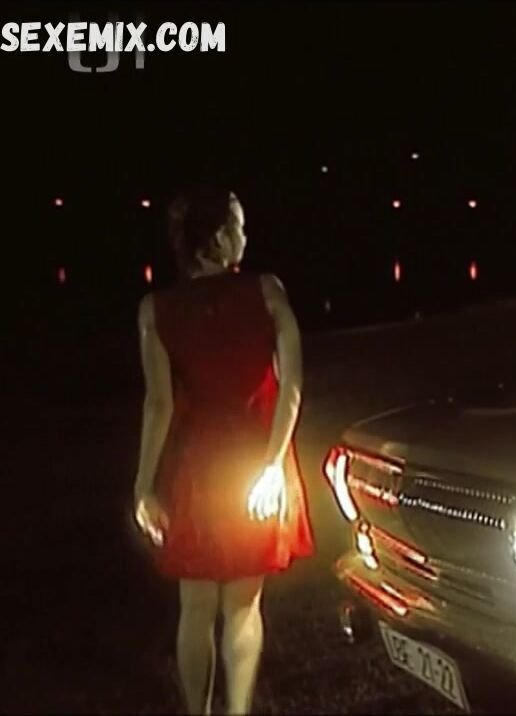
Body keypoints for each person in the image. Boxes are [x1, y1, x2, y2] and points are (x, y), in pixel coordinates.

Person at [133, 185, 314, 715]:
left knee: (195, 606)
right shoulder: (267, 291)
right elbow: (292, 385)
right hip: (254, 460)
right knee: (242, 604)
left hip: (195, 468)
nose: (245, 235)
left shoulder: (155, 309)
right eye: (238, 225)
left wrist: (143, 485)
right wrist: (273, 464)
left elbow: (159, 405)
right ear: (216, 239)